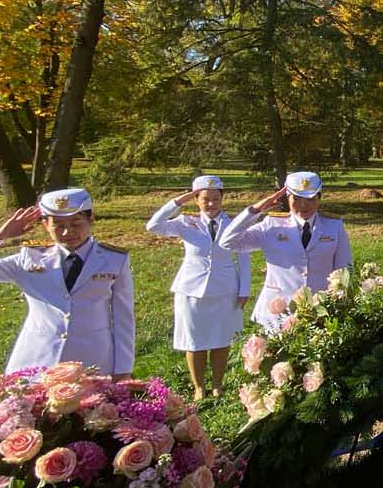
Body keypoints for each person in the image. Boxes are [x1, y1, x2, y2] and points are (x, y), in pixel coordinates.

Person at [0, 187, 135, 377]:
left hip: (92, 361)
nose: (68, 231)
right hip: (35, 362)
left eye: (76, 223)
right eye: (58, 225)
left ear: (91, 219)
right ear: (45, 225)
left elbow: (124, 319)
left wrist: (123, 369)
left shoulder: (114, 260)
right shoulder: (29, 259)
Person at [146, 175, 251, 399]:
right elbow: (153, 225)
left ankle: (217, 384)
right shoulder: (186, 222)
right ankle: (199, 386)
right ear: (196, 200)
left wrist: (244, 290)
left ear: (223, 198)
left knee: (222, 339)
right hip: (191, 289)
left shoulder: (233, 223)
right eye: (205, 199)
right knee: (194, 340)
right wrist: (177, 202)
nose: (211, 204)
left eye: (215, 198)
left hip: (225, 289)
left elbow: (243, 257)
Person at [219, 171, 352, 330]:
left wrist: (337, 304)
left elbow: (345, 270)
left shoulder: (333, 226)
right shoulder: (272, 225)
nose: (303, 206)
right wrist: (255, 211)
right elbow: (228, 242)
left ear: (319, 198)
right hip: (277, 312)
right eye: (296, 199)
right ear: (287, 197)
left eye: (310, 199)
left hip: (320, 312)